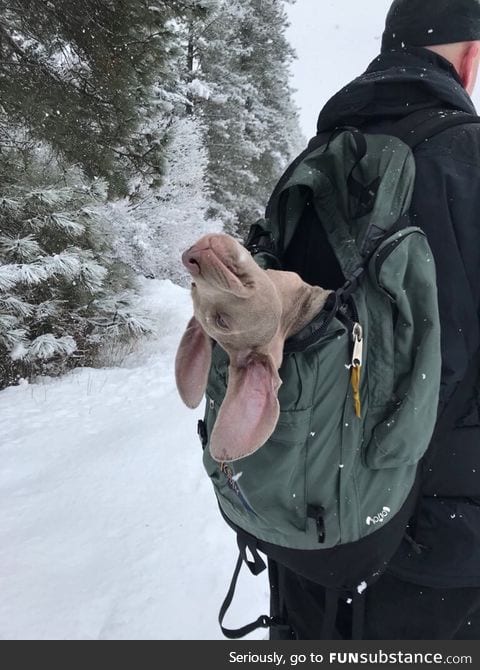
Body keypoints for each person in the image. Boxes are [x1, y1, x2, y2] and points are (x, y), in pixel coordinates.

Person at [269, 0, 480, 639]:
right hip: (436, 543)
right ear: (468, 58)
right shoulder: (466, 158)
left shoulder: (316, 157)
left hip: (308, 520)